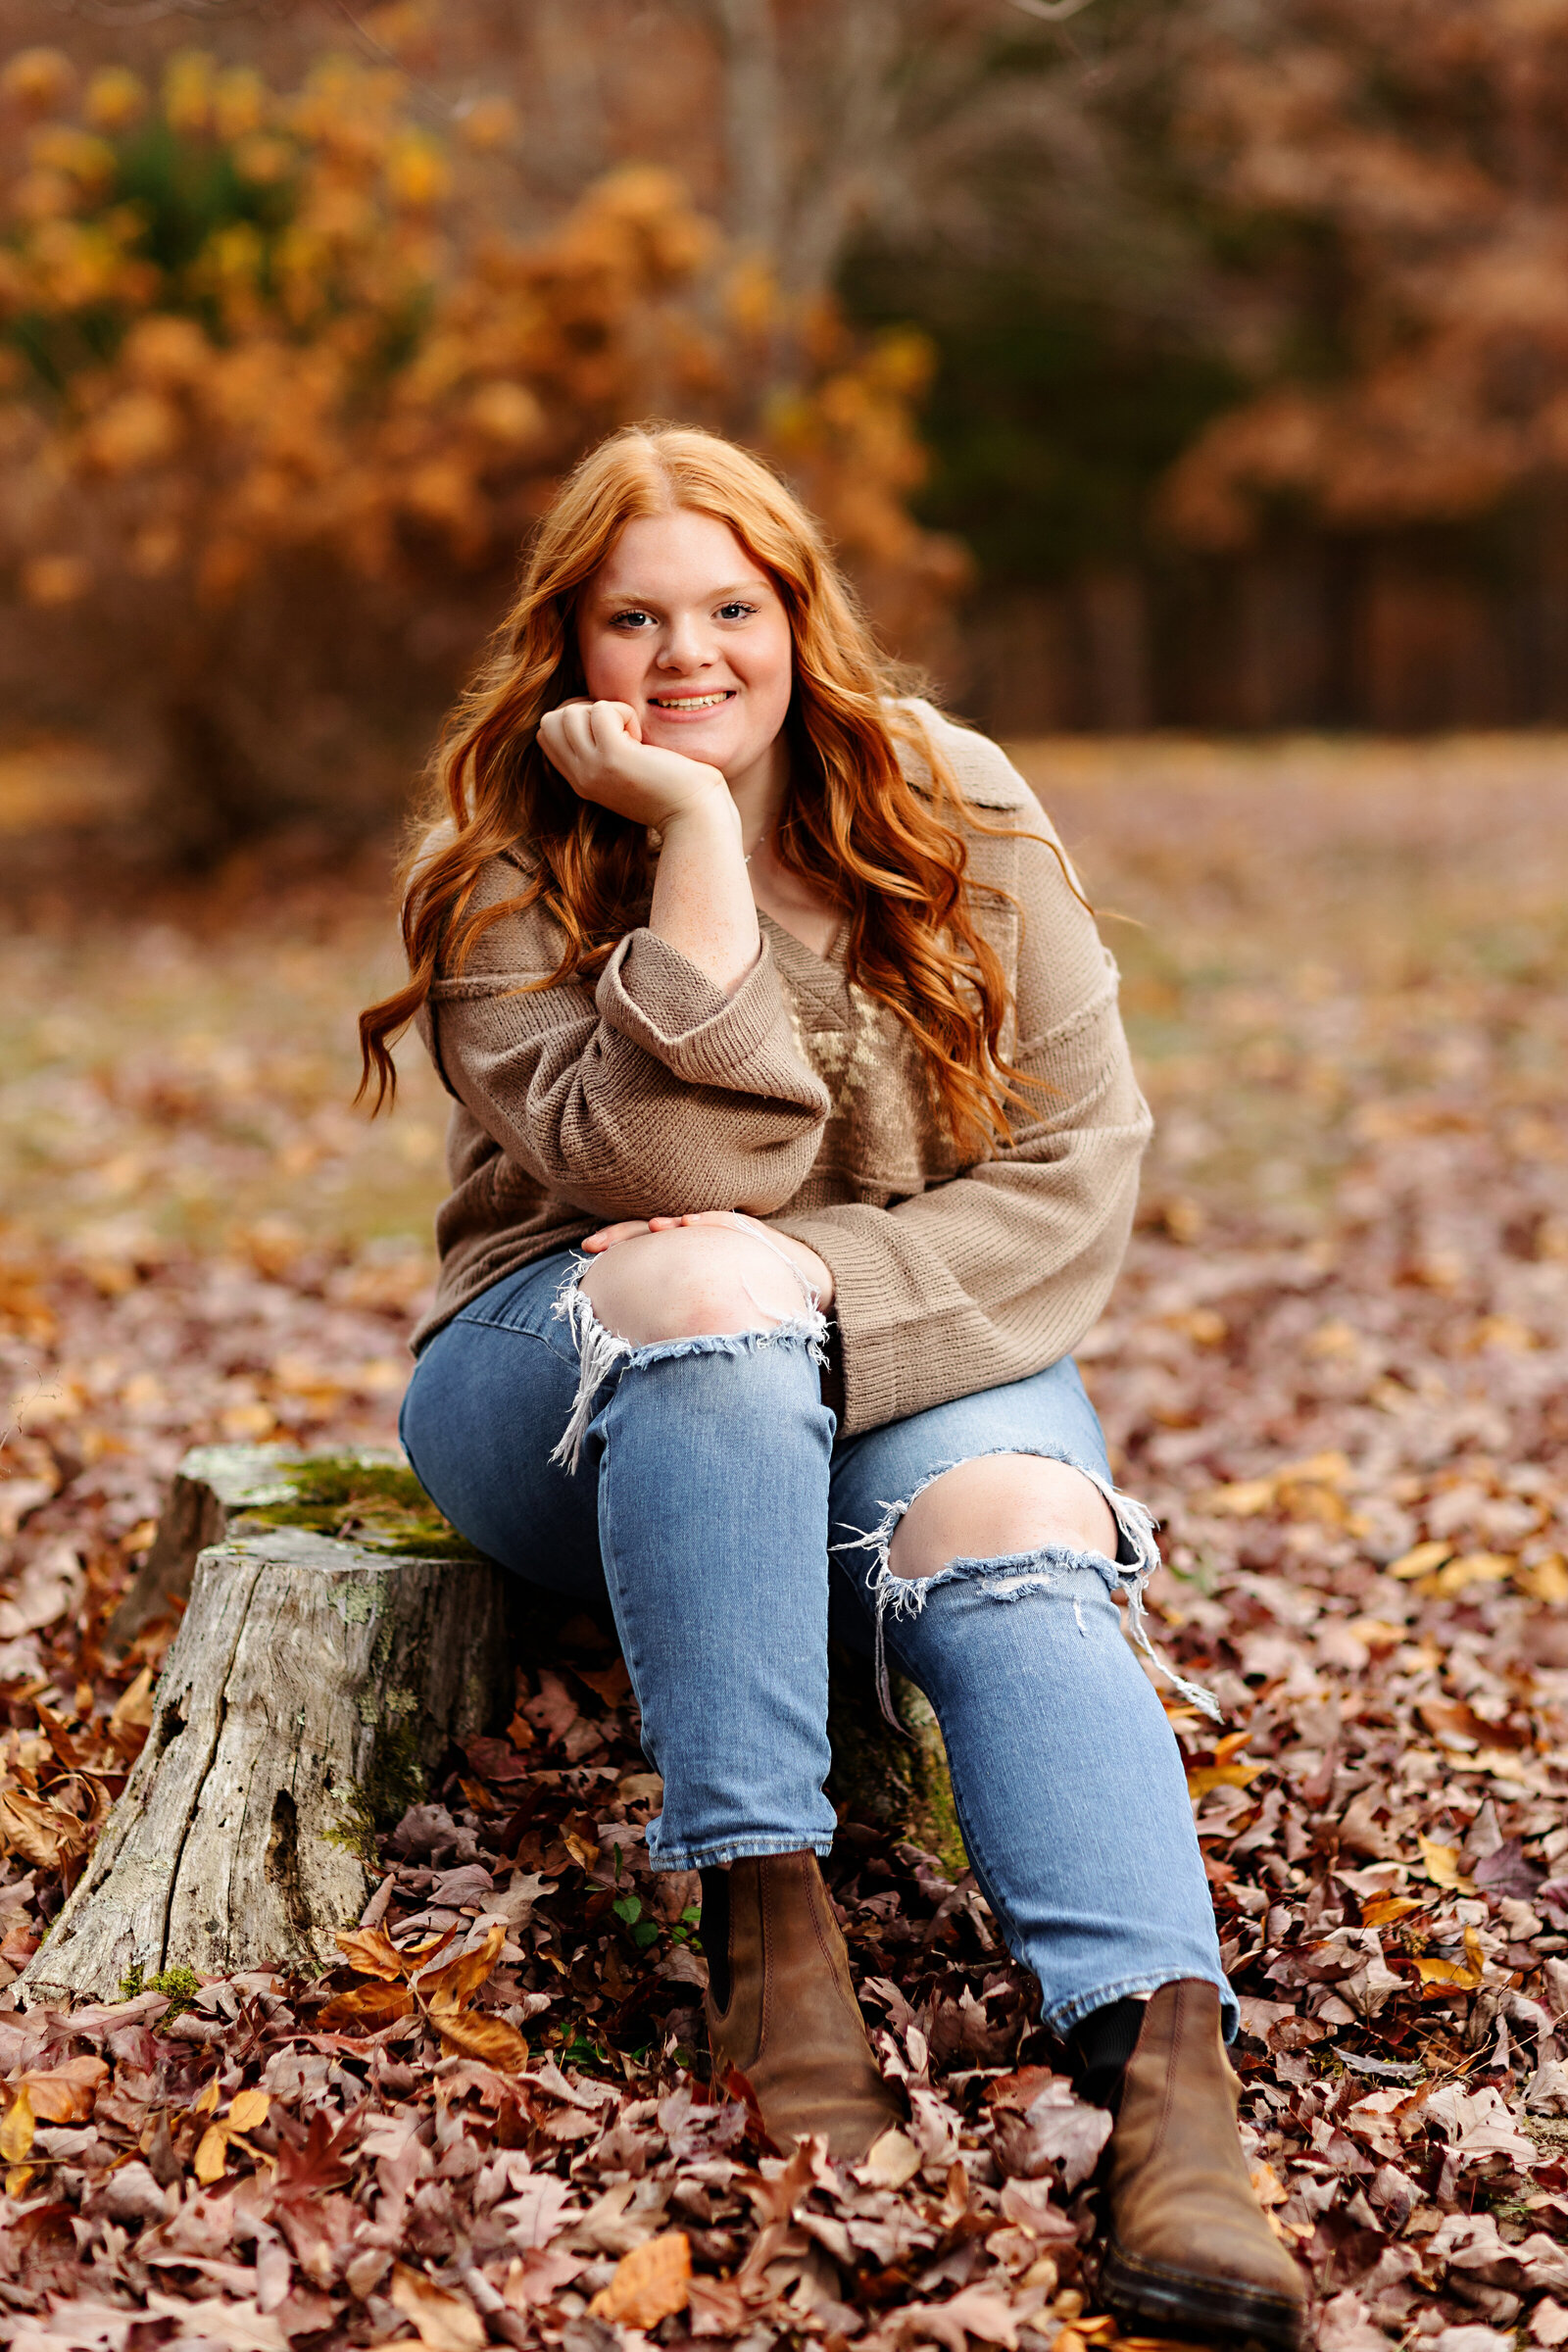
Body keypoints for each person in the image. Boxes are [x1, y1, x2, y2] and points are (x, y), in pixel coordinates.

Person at [360, 424, 1304, 2348]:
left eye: (731, 606)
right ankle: (768, 1936)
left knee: (1019, 1525)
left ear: (800, 617)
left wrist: (826, 1277)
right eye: (634, 616)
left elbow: (1074, 1168)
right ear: (569, 643)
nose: (685, 653)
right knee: (705, 1290)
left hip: (912, 1337)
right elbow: (663, 1189)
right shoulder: (505, 873)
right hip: (568, 1365)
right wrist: (695, 847)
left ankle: (1170, 2094)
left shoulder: (950, 804)